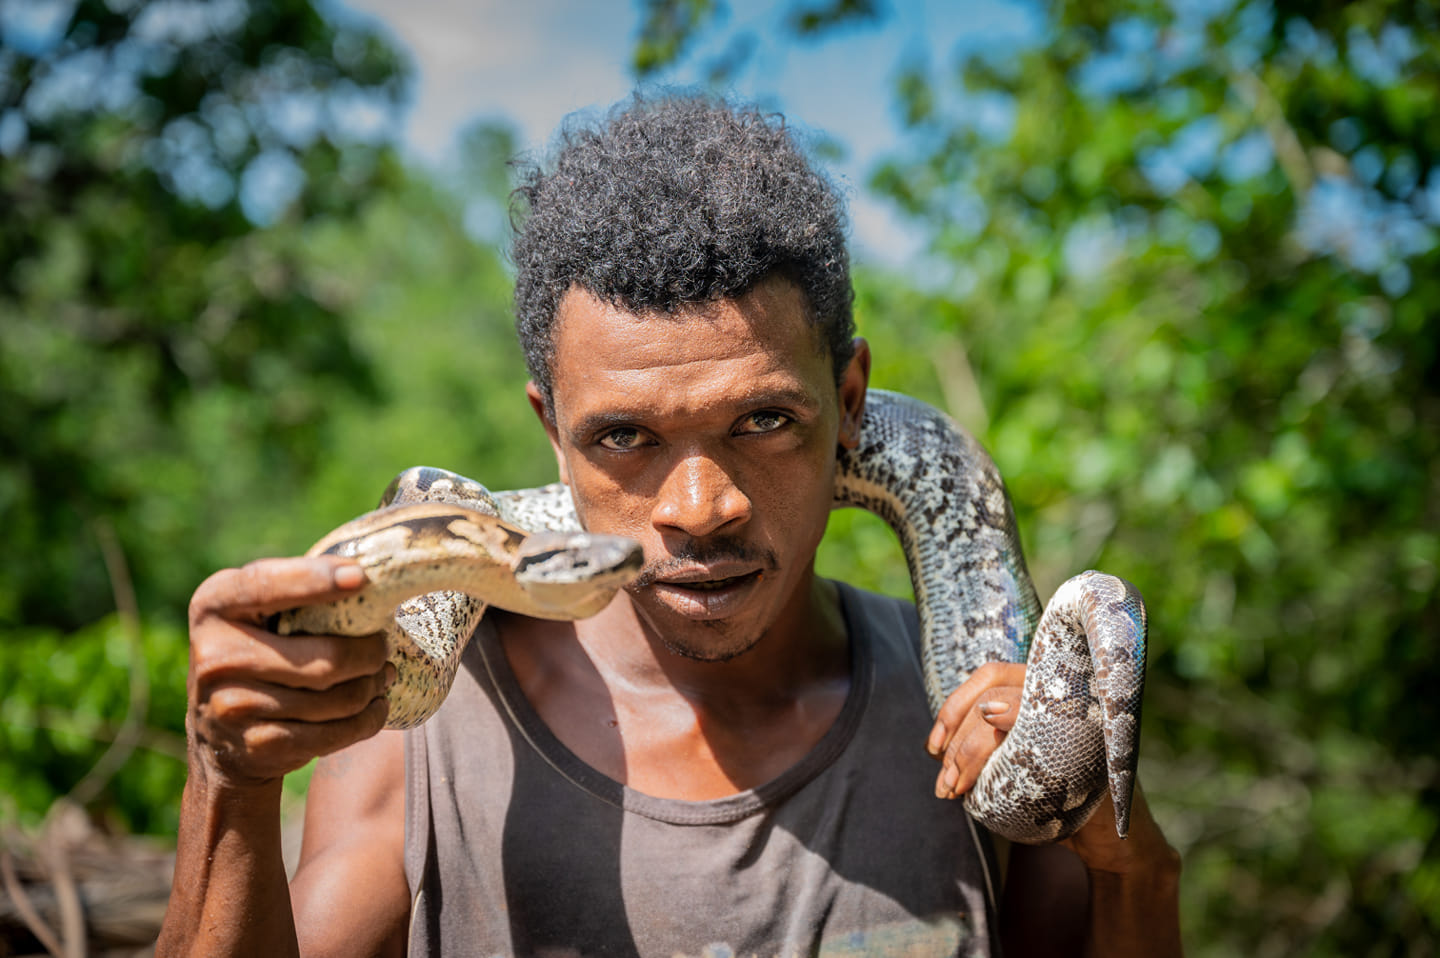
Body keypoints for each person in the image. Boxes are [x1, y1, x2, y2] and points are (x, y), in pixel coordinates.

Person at [157, 94, 1182, 957]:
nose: (701, 509)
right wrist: (227, 784)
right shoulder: (417, 717)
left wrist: (1124, 849)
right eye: (624, 438)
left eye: (766, 420)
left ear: (854, 401)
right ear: (549, 429)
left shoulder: (998, 730)